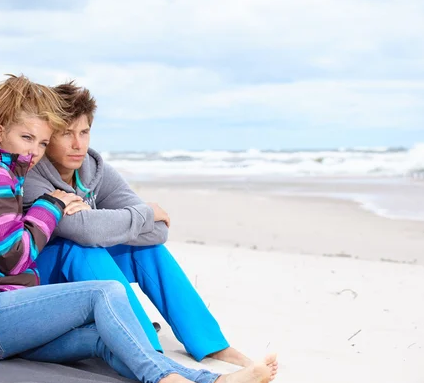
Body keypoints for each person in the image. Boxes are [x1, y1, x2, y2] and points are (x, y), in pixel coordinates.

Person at [0, 74, 275, 383]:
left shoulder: (10, 170)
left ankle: (210, 382)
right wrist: (53, 203)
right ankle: (171, 379)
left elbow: (149, 229)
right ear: (1, 130)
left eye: (41, 142)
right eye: (29, 139)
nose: (35, 151)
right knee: (102, 290)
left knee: (103, 337)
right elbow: (17, 258)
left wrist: (127, 218)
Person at [23, 82, 253, 367]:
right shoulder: (32, 176)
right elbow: (83, 231)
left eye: (84, 132)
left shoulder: (96, 171)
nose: (77, 144)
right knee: (82, 246)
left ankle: (210, 344)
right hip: (37, 283)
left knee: (147, 250)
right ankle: (147, 351)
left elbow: (159, 231)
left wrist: (111, 220)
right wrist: (144, 213)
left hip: (86, 272)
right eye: (65, 134)